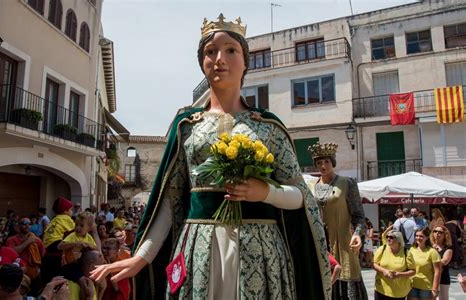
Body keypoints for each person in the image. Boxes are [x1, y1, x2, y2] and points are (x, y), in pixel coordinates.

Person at [90, 13, 331, 300]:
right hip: (199, 250)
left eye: (231, 50)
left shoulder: (269, 127)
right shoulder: (187, 126)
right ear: (202, 63)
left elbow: (300, 196)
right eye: (210, 51)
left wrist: (265, 192)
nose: (219, 58)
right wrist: (141, 257)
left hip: (260, 252)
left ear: (245, 62)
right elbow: (171, 201)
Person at [307, 142, 368, 299]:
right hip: (319, 243)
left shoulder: (347, 183)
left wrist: (357, 234)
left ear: (332, 162)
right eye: (319, 162)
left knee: (346, 277)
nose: (323, 166)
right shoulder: (309, 186)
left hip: (343, 242)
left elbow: (359, 216)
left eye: (326, 161)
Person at [373, 230, 416, 300]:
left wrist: (399, 274)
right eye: (387, 236)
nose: (388, 238)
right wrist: (384, 271)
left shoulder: (406, 252)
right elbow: (374, 264)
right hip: (381, 289)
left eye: (391, 237)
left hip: (399, 292)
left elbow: (413, 271)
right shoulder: (382, 249)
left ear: (399, 240)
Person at [42, 197, 75, 283]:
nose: (72, 211)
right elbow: (76, 231)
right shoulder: (66, 219)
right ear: (65, 211)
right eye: (71, 209)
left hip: (47, 250)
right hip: (57, 248)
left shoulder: (54, 219)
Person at [5, 217, 45, 281]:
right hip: (17, 273)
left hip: (34, 274)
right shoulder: (11, 239)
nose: (27, 226)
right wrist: (28, 242)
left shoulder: (36, 239)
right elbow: (12, 252)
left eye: (29, 224)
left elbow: (43, 255)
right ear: (18, 225)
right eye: (24, 223)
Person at [408, 227, 441, 300]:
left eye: (421, 236)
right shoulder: (411, 249)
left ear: (427, 238)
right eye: (416, 236)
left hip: (426, 287)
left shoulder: (432, 252)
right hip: (412, 285)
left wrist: (435, 289)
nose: (418, 238)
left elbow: (437, 271)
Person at [430, 225, 453, 300]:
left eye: (440, 232)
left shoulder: (448, 249)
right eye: (435, 231)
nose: (437, 233)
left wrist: (434, 253)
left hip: (443, 278)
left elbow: (444, 262)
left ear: (445, 235)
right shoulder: (429, 247)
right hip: (430, 277)